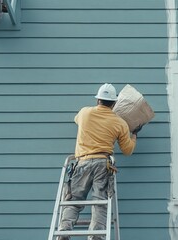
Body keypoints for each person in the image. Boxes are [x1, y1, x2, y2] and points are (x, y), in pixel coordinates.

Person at [57, 83, 142, 240]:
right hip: (103, 164)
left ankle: (64, 231)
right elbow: (127, 150)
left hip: (82, 162)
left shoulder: (84, 113)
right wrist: (134, 135)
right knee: (100, 202)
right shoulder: (120, 123)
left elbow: (77, 120)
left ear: (98, 100)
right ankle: (96, 236)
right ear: (114, 103)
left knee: (73, 200)